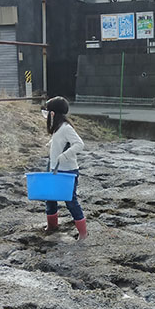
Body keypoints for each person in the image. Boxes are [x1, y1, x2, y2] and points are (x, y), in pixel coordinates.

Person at [42, 96, 87, 240]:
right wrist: (52, 143)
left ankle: (83, 233)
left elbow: (79, 144)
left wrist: (65, 155)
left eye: (47, 112)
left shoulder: (66, 128)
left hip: (67, 171)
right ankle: (52, 226)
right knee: (49, 197)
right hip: (54, 168)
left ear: (53, 113)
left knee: (70, 200)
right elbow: (60, 140)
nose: (46, 115)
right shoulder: (58, 128)